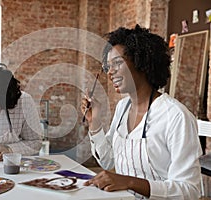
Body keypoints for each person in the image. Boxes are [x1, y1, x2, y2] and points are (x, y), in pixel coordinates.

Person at [81, 24, 202, 199]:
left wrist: (130, 182)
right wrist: (95, 123)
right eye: (108, 66)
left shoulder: (176, 116)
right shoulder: (123, 108)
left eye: (117, 63)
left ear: (142, 62)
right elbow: (108, 161)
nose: (110, 73)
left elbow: (190, 191)